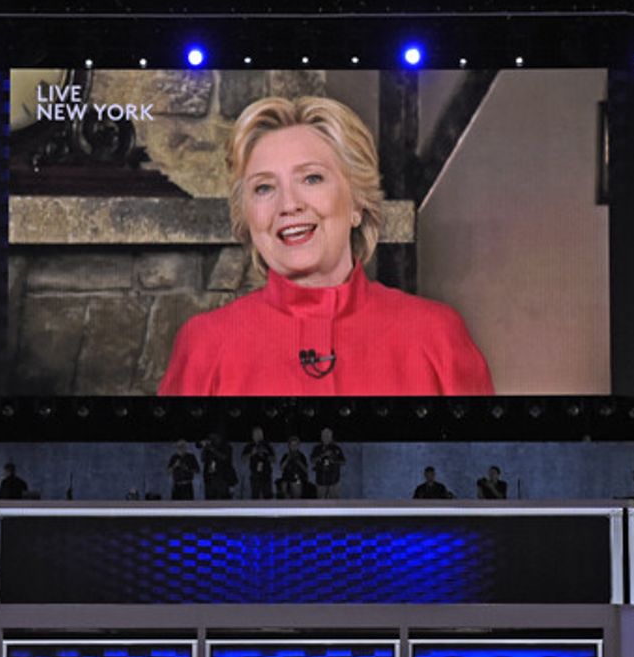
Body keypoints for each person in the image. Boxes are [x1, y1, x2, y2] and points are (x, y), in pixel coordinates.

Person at [158, 96, 494, 397]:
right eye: (263, 188)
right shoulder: (204, 345)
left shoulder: (436, 336)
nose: (288, 204)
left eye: (312, 178)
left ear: (357, 204)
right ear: (246, 216)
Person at [311, 428, 345, 499]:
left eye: (328, 435)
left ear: (331, 437)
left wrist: (334, 460)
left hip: (334, 479)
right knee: (320, 503)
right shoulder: (317, 448)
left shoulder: (336, 448)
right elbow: (313, 460)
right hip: (321, 479)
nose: (326, 437)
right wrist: (323, 455)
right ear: (321, 437)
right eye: (324, 435)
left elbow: (343, 461)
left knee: (334, 502)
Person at [242, 426, 276, 499]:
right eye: (256, 434)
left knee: (268, 496)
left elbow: (274, 460)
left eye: (259, 434)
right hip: (255, 474)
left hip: (266, 474)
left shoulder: (267, 445)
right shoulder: (249, 446)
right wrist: (252, 453)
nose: (258, 436)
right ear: (253, 435)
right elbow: (243, 459)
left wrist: (265, 452)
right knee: (255, 495)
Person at [200, 434, 236, 500]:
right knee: (210, 498)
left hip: (222, 478)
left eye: (214, 438)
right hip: (210, 478)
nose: (213, 440)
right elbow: (203, 459)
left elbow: (224, 458)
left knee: (223, 498)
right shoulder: (209, 448)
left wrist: (212, 449)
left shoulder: (227, 447)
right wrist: (204, 448)